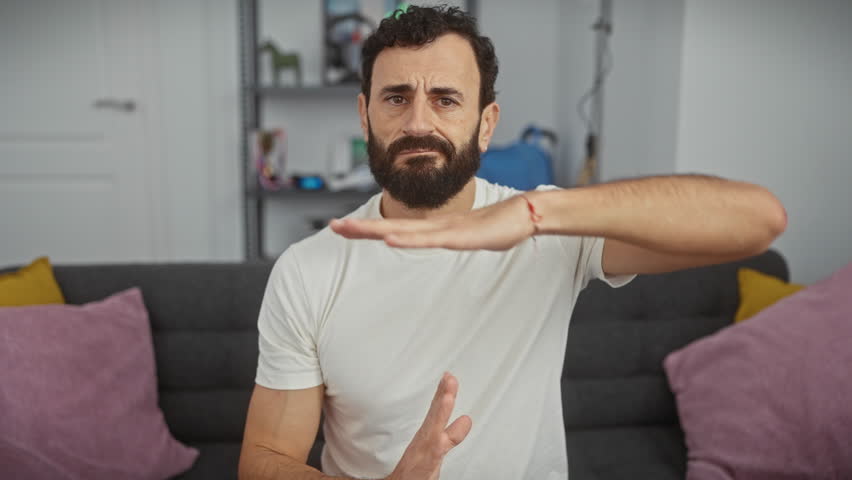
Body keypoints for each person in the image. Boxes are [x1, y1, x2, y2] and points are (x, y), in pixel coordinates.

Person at [238, 5, 787, 480]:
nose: (419, 122)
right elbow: (262, 459)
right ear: (365, 114)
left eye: (447, 99)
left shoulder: (548, 230)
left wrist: (534, 212)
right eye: (396, 98)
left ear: (485, 123)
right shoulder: (307, 270)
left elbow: (758, 220)